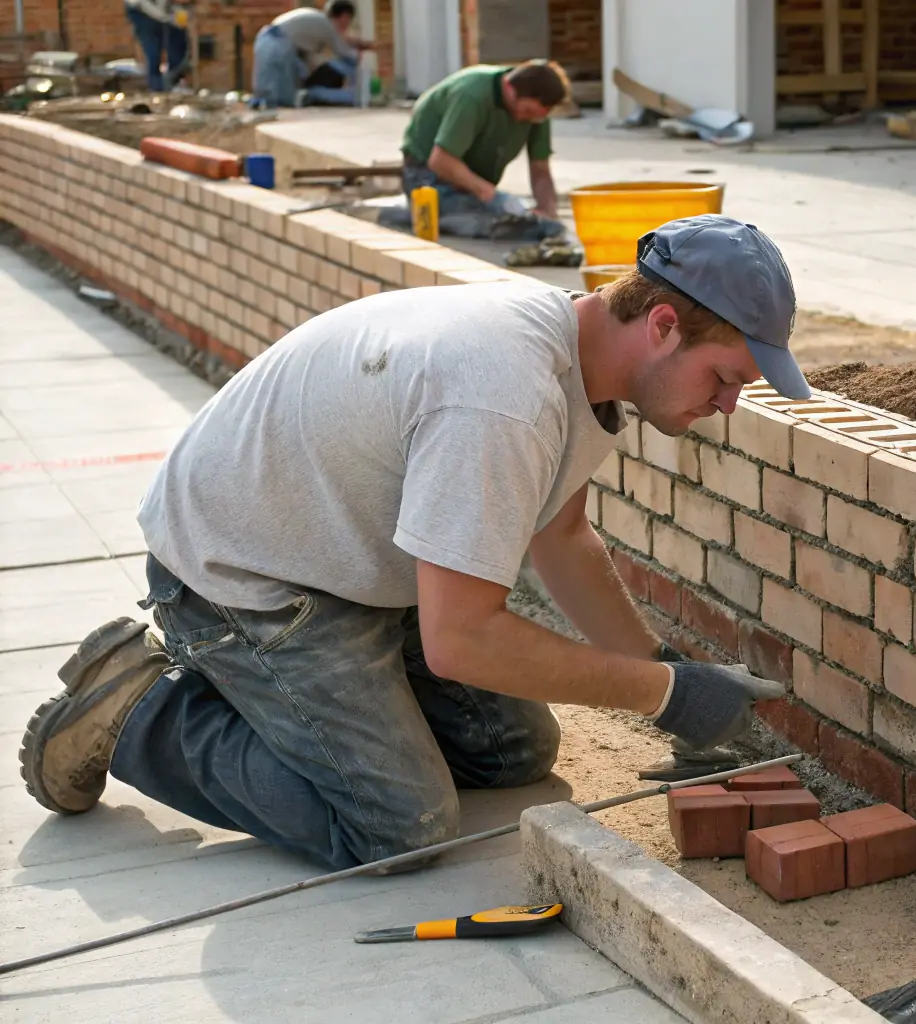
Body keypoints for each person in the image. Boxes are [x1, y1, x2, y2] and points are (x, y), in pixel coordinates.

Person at [19, 214, 813, 872]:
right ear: (664, 325)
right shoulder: (501, 396)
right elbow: (461, 640)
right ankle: (140, 710)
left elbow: (561, 537)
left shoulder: (588, 364)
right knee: (395, 828)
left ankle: (310, 712)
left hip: (349, 560)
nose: (730, 405)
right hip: (246, 577)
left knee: (512, 755)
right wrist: (665, 697)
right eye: (726, 378)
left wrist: (660, 670)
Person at [400, 60, 569, 241]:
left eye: (537, 116)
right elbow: (440, 160)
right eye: (527, 111)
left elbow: (540, 169)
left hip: (472, 181)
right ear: (509, 89)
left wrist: (548, 212)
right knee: (492, 224)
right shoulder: (472, 95)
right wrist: (490, 194)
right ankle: (401, 215)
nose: (526, 119)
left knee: (533, 226)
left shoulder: (536, 116)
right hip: (428, 176)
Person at [251, 0, 372, 109]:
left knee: (269, 90)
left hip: (266, 39)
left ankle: (264, 104)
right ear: (344, 17)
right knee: (281, 95)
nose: (347, 25)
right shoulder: (326, 25)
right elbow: (345, 52)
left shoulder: (317, 20)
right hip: (278, 44)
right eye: (348, 20)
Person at [125, 0, 190, 93]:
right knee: (153, 51)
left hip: (166, 12)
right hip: (142, 10)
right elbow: (154, 11)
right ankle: (157, 87)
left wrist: (181, 16)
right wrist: (170, 19)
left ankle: (175, 82)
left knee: (178, 47)